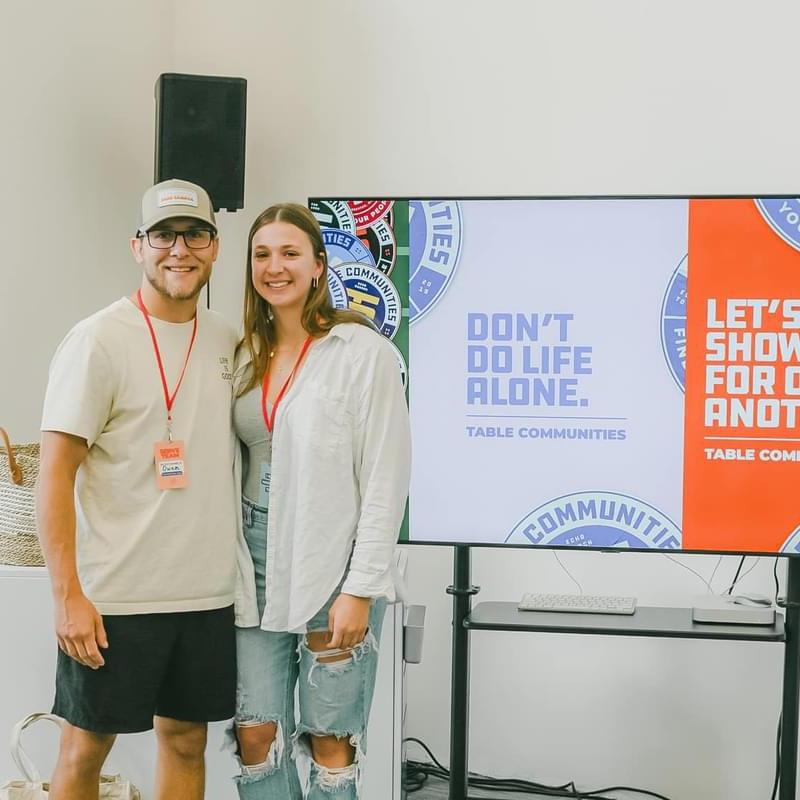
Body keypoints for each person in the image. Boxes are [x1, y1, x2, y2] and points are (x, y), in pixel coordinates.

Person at [36, 178, 239, 800]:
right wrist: (68, 596)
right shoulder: (97, 340)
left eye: (195, 235)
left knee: (186, 742)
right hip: (115, 598)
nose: (180, 250)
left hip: (205, 595)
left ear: (215, 246)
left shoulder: (228, 340)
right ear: (138, 246)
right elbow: (54, 473)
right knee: (84, 749)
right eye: (163, 236)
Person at [229, 203, 411, 799]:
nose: (274, 267)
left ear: (318, 266)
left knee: (330, 740)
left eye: (290, 253)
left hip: (332, 561)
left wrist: (360, 588)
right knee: (256, 734)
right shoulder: (244, 355)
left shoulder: (361, 352)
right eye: (262, 254)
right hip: (252, 562)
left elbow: (385, 478)